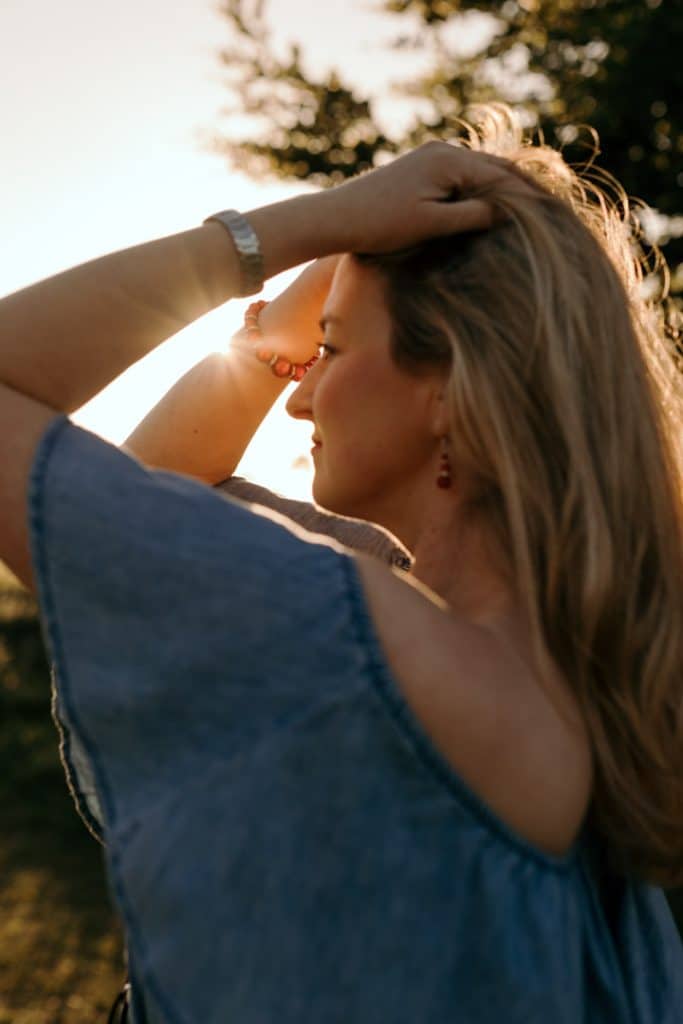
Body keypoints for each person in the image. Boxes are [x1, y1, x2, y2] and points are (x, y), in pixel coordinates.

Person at [1, 106, 682, 1023]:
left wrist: (305, 226)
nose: (295, 398)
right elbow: (165, 492)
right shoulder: (575, 695)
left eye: (330, 350)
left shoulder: (347, 647)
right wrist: (283, 335)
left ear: (449, 392)